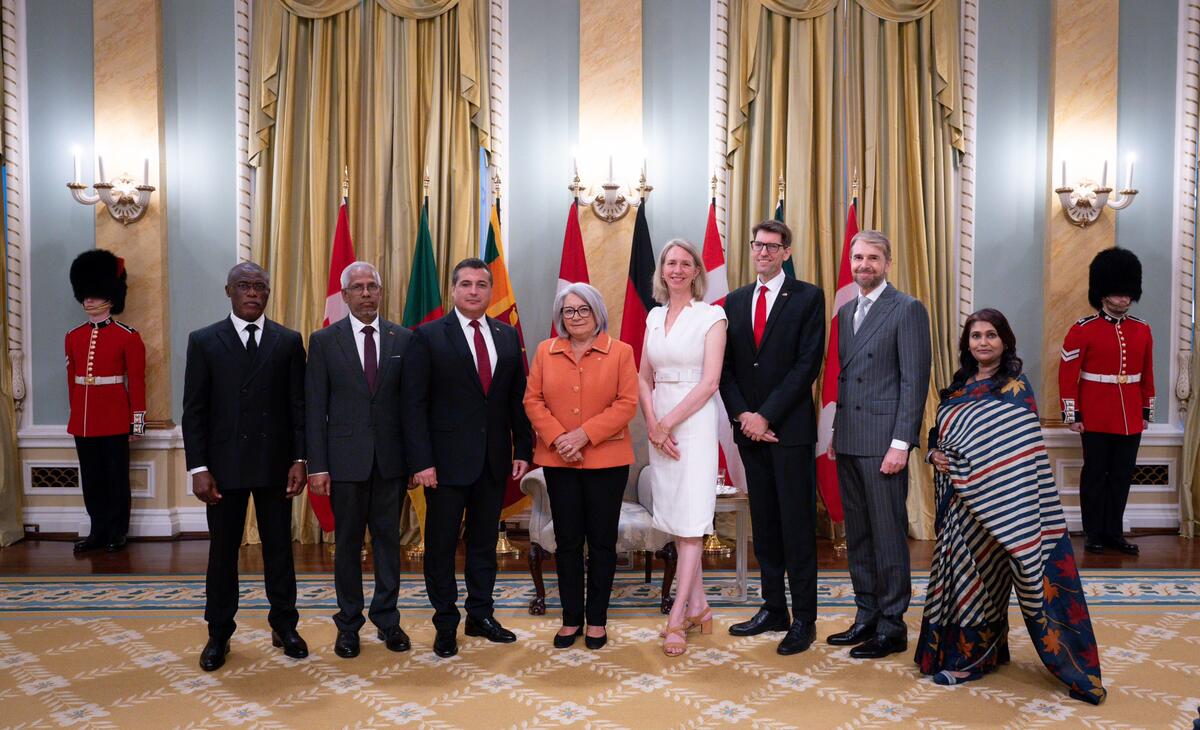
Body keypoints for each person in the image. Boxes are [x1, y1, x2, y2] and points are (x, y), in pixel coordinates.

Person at [916, 308, 1106, 705]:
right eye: (976, 336)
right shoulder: (958, 386)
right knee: (963, 580)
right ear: (967, 343)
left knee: (989, 582)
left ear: (1005, 341)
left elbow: (1020, 449)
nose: (983, 342)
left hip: (1001, 504)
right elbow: (938, 434)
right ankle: (980, 651)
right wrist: (934, 454)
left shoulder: (1016, 389)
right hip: (960, 506)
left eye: (991, 335)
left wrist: (970, 470)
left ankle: (970, 661)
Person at [182, 262, 308, 671]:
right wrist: (198, 467)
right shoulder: (204, 340)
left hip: (275, 464)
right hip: (223, 468)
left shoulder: (288, 341)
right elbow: (194, 411)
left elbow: (298, 407)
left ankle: (284, 626)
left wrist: (300, 459)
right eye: (244, 286)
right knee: (222, 555)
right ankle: (218, 633)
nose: (252, 293)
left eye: (259, 286)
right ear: (229, 291)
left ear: (267, 292)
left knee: (279, 552)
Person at [404, 257, 533, 658]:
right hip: (443, 466)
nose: (474, 291)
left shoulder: (506, 336)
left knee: (483, 545)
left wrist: (523, 449)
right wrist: (421, 461)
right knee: (441, 548)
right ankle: (446, 623)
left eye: (481, 284)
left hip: (492, 461)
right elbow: (414, 404)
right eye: (466, 284)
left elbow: (516, 399)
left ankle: (480, 615)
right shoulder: (427, 336)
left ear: (490, 290)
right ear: (453, 290)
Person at [719, 220, 825, 655]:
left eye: (771, 246)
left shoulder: (808, 297)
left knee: (796, 527)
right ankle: (773, 608)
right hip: (749, 432)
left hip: (789, 432)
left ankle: (804, 619)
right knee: (764, 525)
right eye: (757, 245)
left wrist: (766, 415)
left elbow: (807, 365)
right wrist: (745, 415)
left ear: (786, 252)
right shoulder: (734, 301)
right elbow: (725, 368)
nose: (762, 252)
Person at [828, 230, 931, 659]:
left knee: (888, 535)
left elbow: (913, 382)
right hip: (851, 439)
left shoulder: (907, 309)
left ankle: (892, 626)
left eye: (872, 257)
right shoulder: (845, 311)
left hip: (885, 442)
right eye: (857, 257)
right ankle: (866, 614)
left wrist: (901, 443)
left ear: (888, 263)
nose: (863, 265)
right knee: (859, 535)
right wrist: (836, 434)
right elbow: (846, 380)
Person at [306, 262, 414, 658]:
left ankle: (387, 620)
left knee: (388, 544)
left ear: (380, 292)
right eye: (358, 287)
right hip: (344, 463)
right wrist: (318, 466)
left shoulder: (403, 338)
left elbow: (411, 407)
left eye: (372, 286)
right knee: (348, 546)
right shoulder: (324, 341)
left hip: (391, 463)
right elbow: (315, 408)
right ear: (345, 295)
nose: (366, 293)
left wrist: (414, 461)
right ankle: (348, 625)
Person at [523, 283, 638, 650]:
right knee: (568, 542)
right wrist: (560, 439)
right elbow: (533, 400)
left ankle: (597, 620)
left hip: (608, 462)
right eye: (569, 310)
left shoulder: (621, 352)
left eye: (583, 309)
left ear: (597, 312)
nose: (575, 316)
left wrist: (583, 436)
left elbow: (627, 404)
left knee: (602, 543)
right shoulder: (545, 351)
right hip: (559, 461)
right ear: (561, 316)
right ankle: (571, 618)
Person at [638, 239, 728, 657]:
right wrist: (653, 424)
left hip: (692, 422)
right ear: (662, 270)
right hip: (658, 418)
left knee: (691, 521)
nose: (676, 269)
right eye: (670, 263)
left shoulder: (712, 316)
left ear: (696, 272)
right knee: (677, 520)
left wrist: (668, 424)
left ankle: (676, 618)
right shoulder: (654, 316)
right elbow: (643, 377)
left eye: (684, 263)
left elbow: (710, 382)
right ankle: (701, 607)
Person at [1059, 247, 1154, 556]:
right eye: (1117, 292)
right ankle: (1093, 533)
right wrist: (1072, 414)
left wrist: (1146, 412)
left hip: (1130, 418)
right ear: (1102, 294)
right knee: (1095, 476)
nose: (1123, 299)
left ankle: (1114, 532)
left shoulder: (1142, 329)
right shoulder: (1082, 330)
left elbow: (1147, 374)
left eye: (1127, 293)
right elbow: (1067, 375)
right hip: (1096, 415)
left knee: (1122, 477)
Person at [66, 250, 146, 554]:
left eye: (95, 294)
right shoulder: (73, 336)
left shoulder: (128, 337)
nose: (89, 300)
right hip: (84, 420)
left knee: (115, 478)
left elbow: (136, 382)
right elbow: (72, 382)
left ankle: (117, 531)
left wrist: (137, 422)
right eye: (86, 295)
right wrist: (76, 416)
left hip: (114, 418)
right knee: (92, 479)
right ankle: (97, 531)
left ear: (110, 298)